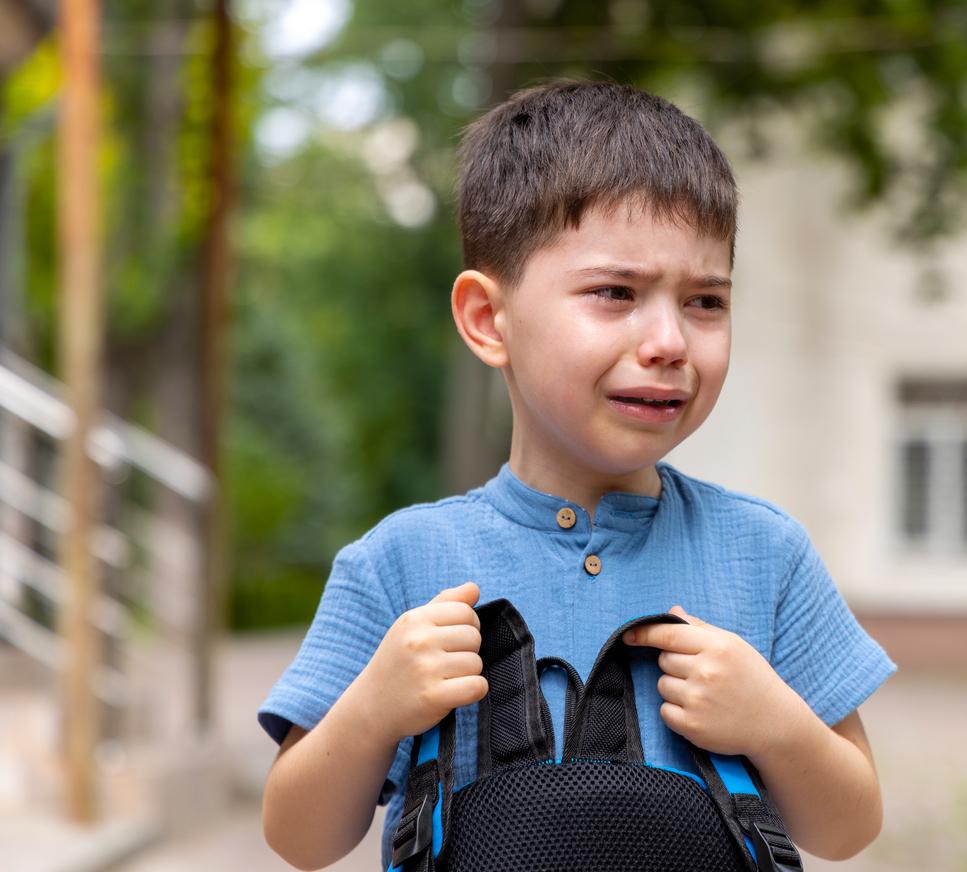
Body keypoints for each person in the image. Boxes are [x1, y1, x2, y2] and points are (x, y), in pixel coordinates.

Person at [258, 78, 898, 871]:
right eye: (615, 293)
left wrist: (775, 722)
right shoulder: (399, 564)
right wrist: (374, 708)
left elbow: (849, 827)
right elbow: (297, 838)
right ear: (489, 320)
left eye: (704, 302)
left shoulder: (765, 554)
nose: (668, 339)